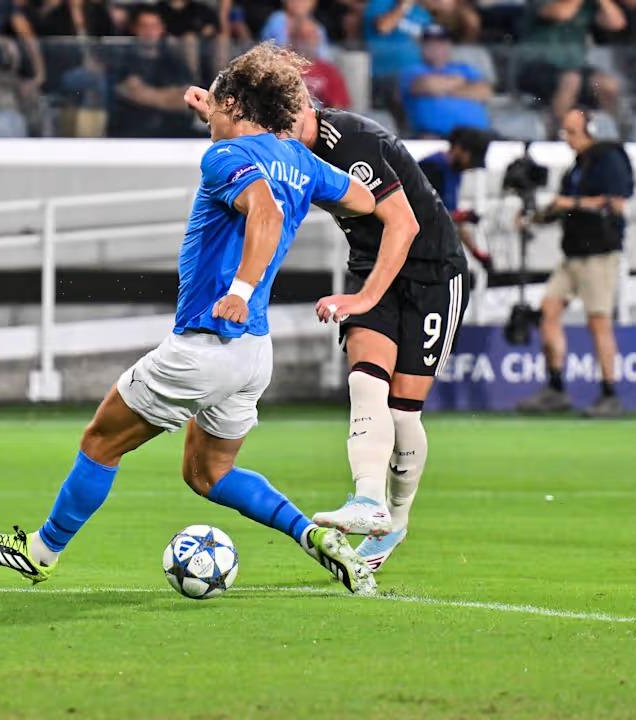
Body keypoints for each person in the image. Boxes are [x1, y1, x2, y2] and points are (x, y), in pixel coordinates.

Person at [0, 44, 380, 595]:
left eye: (216, 106)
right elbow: (361, 197)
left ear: (234, 104)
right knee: (206, 473)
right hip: (253, 353)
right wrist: (285, 163)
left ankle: (41, 552)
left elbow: (266, 209)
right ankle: (314, 537)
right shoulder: (298, 160)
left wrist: (240, 286)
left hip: (207, 342)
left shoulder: (223, 158)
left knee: (101, 441)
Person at [188, 66, 471, 573]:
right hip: (371, 267)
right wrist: (214, 109)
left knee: (405, 413)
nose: (274, 129)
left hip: (432, 273)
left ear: (304, 108)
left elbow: (402, 226)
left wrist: (362, 299)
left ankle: (397, 521)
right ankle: (368, 501)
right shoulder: (289, 145)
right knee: (366, 383)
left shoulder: (353, 141)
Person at [516, 108, 633, 417]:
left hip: (599, 254)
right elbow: (562, 208)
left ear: (590, 130)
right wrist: (534, 218)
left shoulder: (609, 158)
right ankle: (556, 388)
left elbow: (617, 204)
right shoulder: (577, 167)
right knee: (548, 312)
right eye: (566, 132)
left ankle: (610, 393)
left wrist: (572, 203)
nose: (568, 138)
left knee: (599, 323)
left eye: (573, 132)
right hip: (572, 254)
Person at [517, 0, 626, 130]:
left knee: (607, 84)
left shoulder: (587, 6)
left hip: (576, 67)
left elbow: (617, 23)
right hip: (536, 67)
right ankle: (559, 131)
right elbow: (561, 13)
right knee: (571, 80)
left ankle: (615, 132)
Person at [107, 6, 197, 138]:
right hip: (131, 133)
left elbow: (188, 100)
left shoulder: (174, 62)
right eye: (144, 26)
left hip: (174, 134)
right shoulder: (122, 60)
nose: (149, 31)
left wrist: (146, 94)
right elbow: (131, 92)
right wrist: (171, 96)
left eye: (154, 26)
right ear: (134, 28)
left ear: (162, 29)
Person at [418, 127, 496, 272]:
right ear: (459, 148)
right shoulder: (431, 168)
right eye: (471, 157)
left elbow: (452, 219)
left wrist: (477, 253)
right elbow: (424, 215)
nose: (470, 165)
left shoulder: (454, 174)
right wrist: (461, 216)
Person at [399, 24, 491, 137]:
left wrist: (444, 89)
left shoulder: (464, 68)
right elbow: (429, 86)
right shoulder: (413, 70)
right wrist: (462, 83)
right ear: (421, 46)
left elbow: (484, 92)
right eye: (430, 43)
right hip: (434, 136)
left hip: (477, 135)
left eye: (441, 43)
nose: (436, 48)